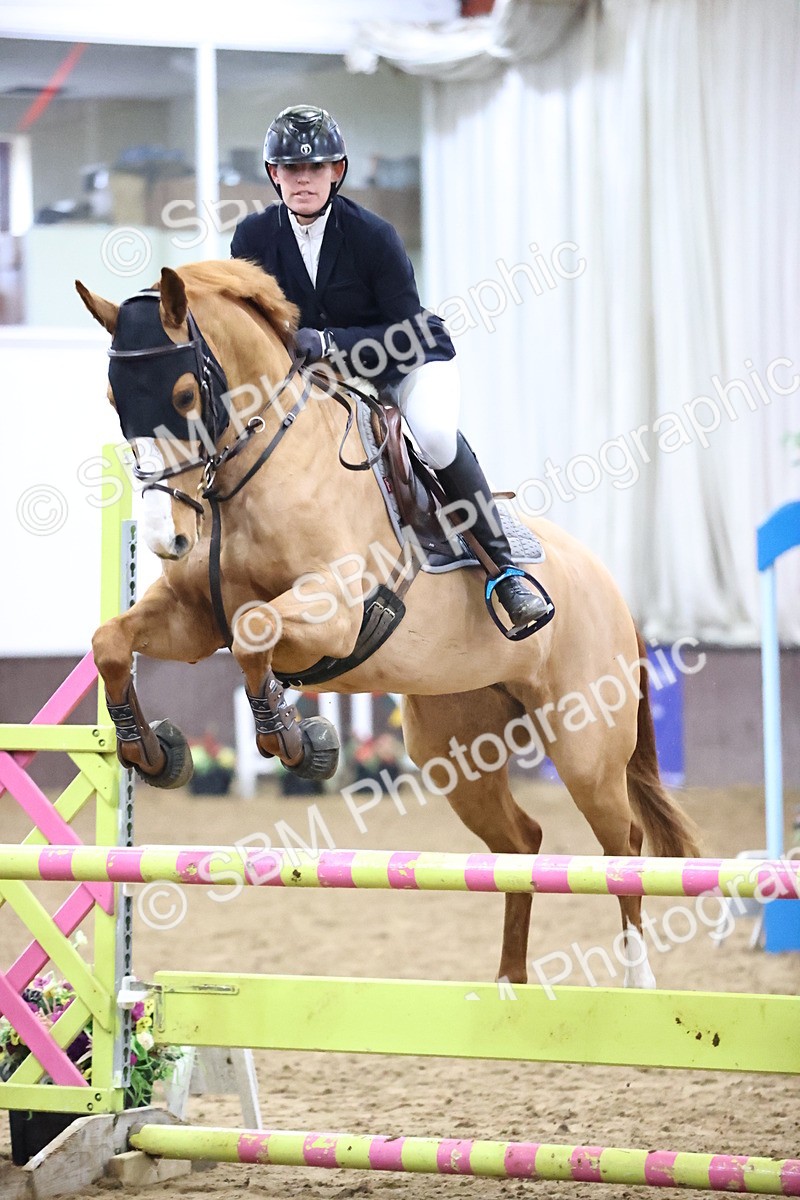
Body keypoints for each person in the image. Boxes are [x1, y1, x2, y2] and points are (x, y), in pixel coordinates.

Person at [231, 104, 549, 630]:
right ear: (274, 175)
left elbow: (406, 331)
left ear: (337, 172)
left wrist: (332, 342)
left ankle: (505, 572)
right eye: (291, 169)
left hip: (404, 363)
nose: (302, 180)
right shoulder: (252, 239)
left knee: (434, 435)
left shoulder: (372, 236)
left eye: (315, 169)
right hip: (322, 380)